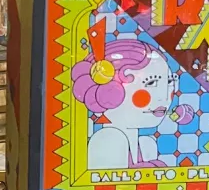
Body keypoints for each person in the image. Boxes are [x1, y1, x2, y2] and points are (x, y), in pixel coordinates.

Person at [71, 38, 183, 169]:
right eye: (151, 82)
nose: (164, 97)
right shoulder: (108, 140)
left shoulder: (147, 144)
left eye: (169, 82)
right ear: (110, 92)